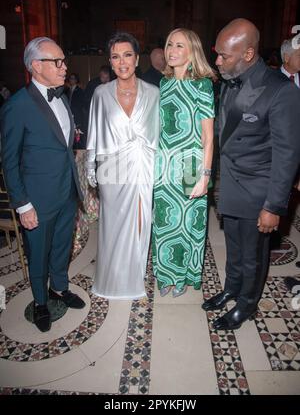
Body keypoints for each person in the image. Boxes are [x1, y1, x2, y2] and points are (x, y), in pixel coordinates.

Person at [202, 18, 300, 331]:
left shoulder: (280, 91)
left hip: (258, 192)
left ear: (247, 54)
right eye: (216, 54)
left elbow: (288, 155)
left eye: (223, 56)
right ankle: (232, 288)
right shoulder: (231, 78)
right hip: (231, 184)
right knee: (234, 249)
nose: (217, 61)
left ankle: (246, 305)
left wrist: (273, 206)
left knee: (253, 255)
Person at [0, 37, 85, 333]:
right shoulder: (17, 106)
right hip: (37, 199)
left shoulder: (61, 97)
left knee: (62, 246)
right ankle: (39, 302)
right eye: (57, 62)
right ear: (36, 66)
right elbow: (9, 161)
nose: (65, 67)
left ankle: (59, 288)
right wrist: (23, 204)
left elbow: (62, 145)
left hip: (67, 191)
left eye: (63, 61)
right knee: (38, 253)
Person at [86, 32, 160, 299]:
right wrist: (90, 167)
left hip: (143, 165)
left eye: (127, 55)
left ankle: (133, 278)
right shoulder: (101, 93)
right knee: (112, 225)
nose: (122, 62)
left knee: (141, 224)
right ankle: (110, 278)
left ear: (137, 59)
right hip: (111, 168)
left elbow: (160, 133)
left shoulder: (154, 93)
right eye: (116, 57)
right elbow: (93, 131)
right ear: (110, 61)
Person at [152, 28, 216, 298]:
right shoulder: (164, 83)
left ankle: (183, 276)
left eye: (179, 45)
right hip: (164, 163)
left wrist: (205, 175)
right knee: (164, 222)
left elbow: (209, 137)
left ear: (192, 51)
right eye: (169, 44)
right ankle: (165, 274)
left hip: (191, 163)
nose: (172, 50)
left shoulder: (202, 83)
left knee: (188, 222)